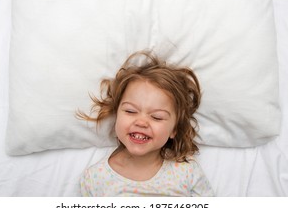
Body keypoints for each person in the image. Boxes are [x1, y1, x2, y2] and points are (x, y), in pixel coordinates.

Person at [77, 50, 214, 196]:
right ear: (116, 114)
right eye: (130, 111)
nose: (141, 122)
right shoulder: (95, 178)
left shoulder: (186, 171)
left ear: (174, 129)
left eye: (156, 117)